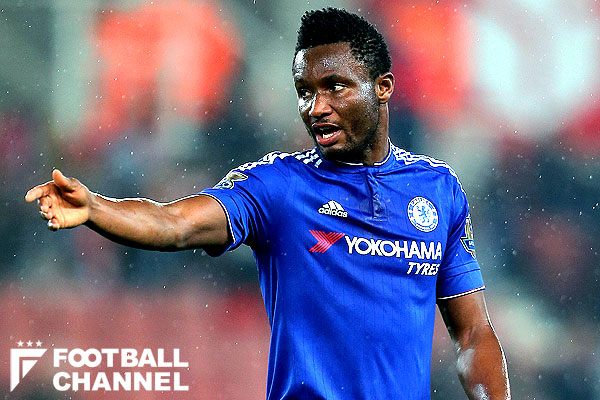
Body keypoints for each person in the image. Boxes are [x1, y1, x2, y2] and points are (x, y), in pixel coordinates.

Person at [26, 7, 510, 400]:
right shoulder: (279, 186)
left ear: (382, 87)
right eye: (304, 92)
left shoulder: (438, 189)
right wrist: (96, 208)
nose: (316, 108)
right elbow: (175, 223)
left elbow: (472, 334)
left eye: (334, 87)